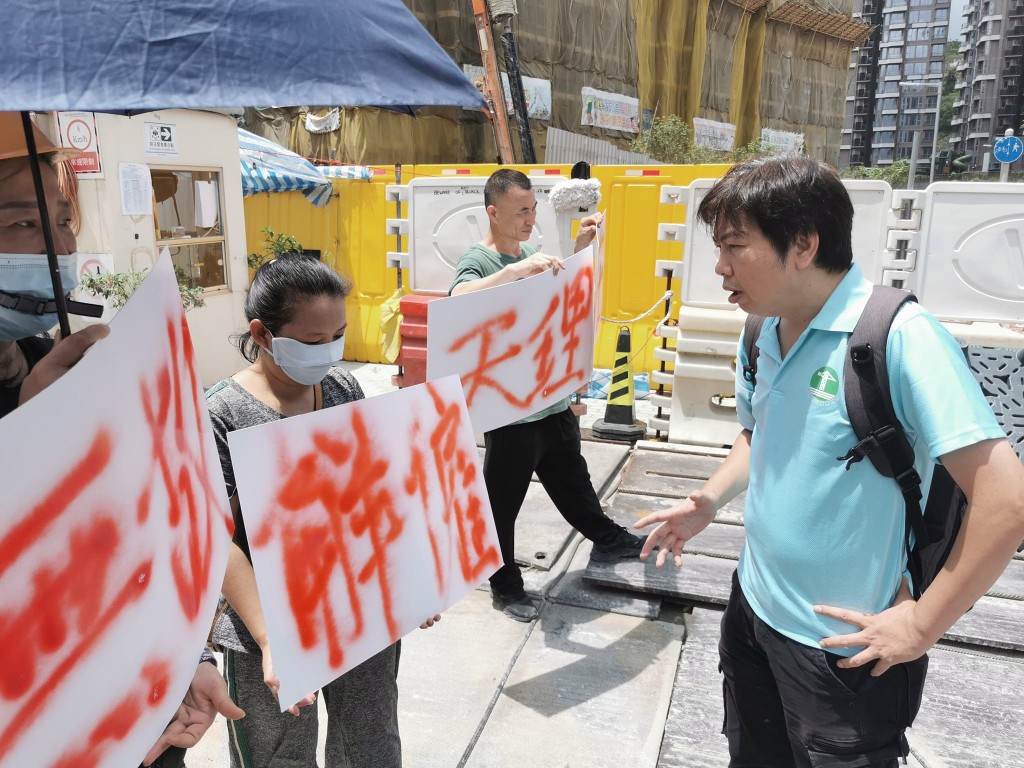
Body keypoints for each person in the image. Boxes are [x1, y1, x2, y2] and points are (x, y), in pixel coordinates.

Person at [636, 156, 1024, 767]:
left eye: (735, 245)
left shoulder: (897, 338)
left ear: (804, 244)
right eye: (718, 246)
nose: (719, 266)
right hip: (754, 606)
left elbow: (1006, 500)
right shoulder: (762, 328)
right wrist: (707, 501)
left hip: (844, 650)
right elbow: (759, 434)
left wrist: (921, 626)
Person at [0, 111, 244, 768]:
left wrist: (180, 654)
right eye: (23, 223)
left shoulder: (47, 358)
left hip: (135, 721)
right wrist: (29, 447)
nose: (55, 244)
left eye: (62, 219)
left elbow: (136, 532)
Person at [206, 253, 438, 768]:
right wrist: (270, 639)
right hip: (266, 626)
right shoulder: (220, 413)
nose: (330, 352)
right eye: (313, 342)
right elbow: (215, 539)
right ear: (263, 334)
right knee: (278, 756)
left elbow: (372, 495)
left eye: (339, 335)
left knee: (371, 745)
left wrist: (415, 581)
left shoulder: (341, 388)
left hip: (359, 611)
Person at [449, 168, 646, 622]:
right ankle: (506, 587)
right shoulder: (479, 262)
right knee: (501, 506)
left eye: (534, 209)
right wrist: (515, 271)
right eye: (521, 211)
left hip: (551, 400)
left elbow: (564, 296)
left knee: (572, 481)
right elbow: (459, 299)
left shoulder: (535, 253)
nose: (530, 218)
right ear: (492, 213)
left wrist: (580, 247)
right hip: (510, 412)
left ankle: (609, 537)